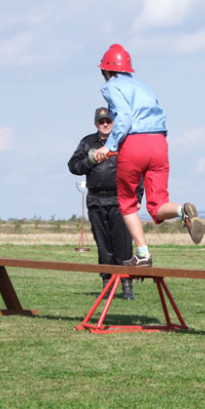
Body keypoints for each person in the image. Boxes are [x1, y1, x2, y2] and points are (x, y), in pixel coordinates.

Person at [92, 43, 203, 267]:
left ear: (106, 71)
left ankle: (143, 254)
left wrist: (109, 146)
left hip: (135, 143)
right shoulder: (143, 87)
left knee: (127, 203)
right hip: (159, 143)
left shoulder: (112, 86)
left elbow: (123, 118)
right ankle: (183, 211)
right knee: (157, 206)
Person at [68, 107, 141, 300]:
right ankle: (107, 283)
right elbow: (73, 166)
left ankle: (126, 284)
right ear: (96, 124)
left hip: (120, 199)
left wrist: (138, 198)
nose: (106, 124)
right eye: (101, 122)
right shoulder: (87, 142)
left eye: (108, 120)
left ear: (114, 122)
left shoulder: (123, 142)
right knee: (103, 244)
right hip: (96, 200)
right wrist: (90, 160)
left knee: (123, 243)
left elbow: (136, 171)